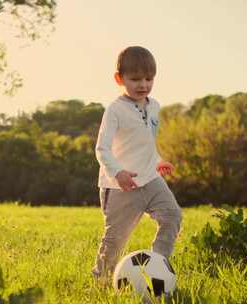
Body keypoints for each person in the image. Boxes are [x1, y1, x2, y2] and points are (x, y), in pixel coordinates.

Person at [91, 46, 182, 284]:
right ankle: (100, 281)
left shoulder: (154, 106)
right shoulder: (115, 110)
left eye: (149, 79)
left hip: (151, 179)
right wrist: (118, 173)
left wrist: (159, 160)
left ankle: (157, 267)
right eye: (135, 79)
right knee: (115, 240)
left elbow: (146, 142)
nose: (143, 84)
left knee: (172, 215)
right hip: (121, 187)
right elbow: (102, 149)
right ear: (119, 79)